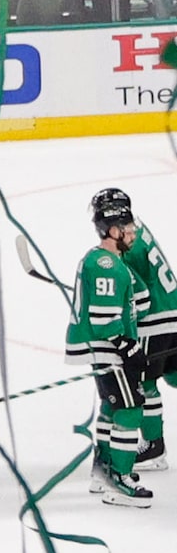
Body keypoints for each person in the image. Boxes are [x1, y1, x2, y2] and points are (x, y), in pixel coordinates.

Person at [69, 195, 154, 506]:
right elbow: (104, 321)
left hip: (106, 351)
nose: (132, 233)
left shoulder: (106, 263)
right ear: (112, 231)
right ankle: (119, 478)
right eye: (127, 228)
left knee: (112, 406)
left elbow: (137, 303)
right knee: (131, 410)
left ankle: (102, 472)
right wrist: (128, 347)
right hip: (110, 352)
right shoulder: (106, 266)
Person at [90, 185, 175, 467]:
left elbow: (141, 300)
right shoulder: (136, 230)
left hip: (156, 323)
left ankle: (154, 447)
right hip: (173, 312)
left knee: (143, 383)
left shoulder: (122, 246)